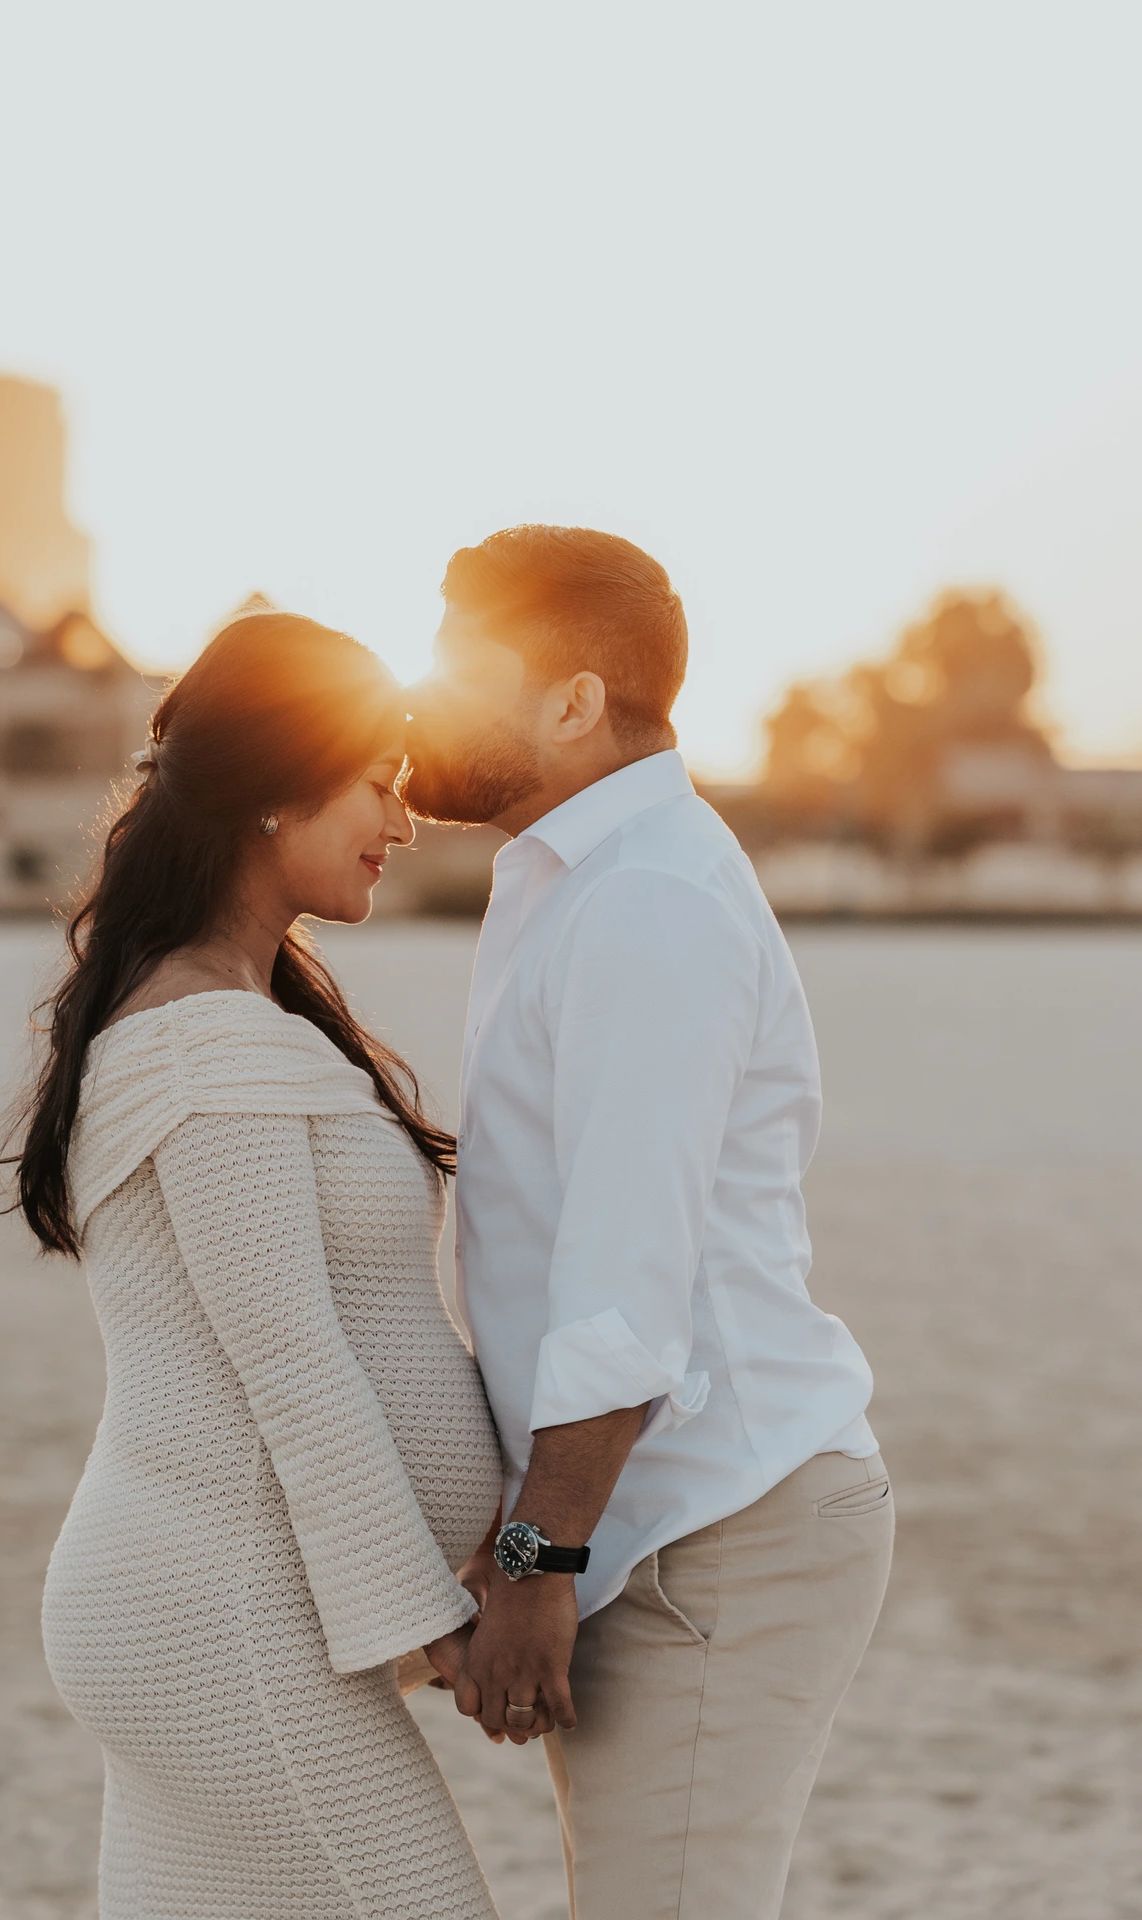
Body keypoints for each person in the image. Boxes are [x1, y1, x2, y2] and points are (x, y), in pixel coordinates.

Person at [404, 526, 895, 1920]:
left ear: (573, 701)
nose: (417, 696)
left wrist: (536, 1563)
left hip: (718, 1534)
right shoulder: (576, 880)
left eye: (458, 667)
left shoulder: (646, 904)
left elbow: (625, 1290)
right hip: (658, 1517)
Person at [4, 612, 503, 1920]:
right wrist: (428, 1619)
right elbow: (289, 1362)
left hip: (217, 1597)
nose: (404, 826)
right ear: (280, 791)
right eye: (379, 787)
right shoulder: (198, 1045)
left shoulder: (237, 1013)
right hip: (211, 1615)